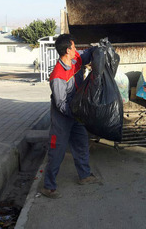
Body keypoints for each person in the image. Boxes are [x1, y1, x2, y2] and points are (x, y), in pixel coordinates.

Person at [41, 34, 99, 199]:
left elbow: (87, 53)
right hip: (62, 118)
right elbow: (60, 104)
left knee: (81, 144)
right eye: (74, 47)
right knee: (57, 151)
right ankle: (48, 186)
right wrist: (76, 113)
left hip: (76, 114)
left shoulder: (76, 61)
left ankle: (84, 175)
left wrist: (98, 47)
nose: (76, 50)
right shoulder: (58, 76)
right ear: (67, 50)